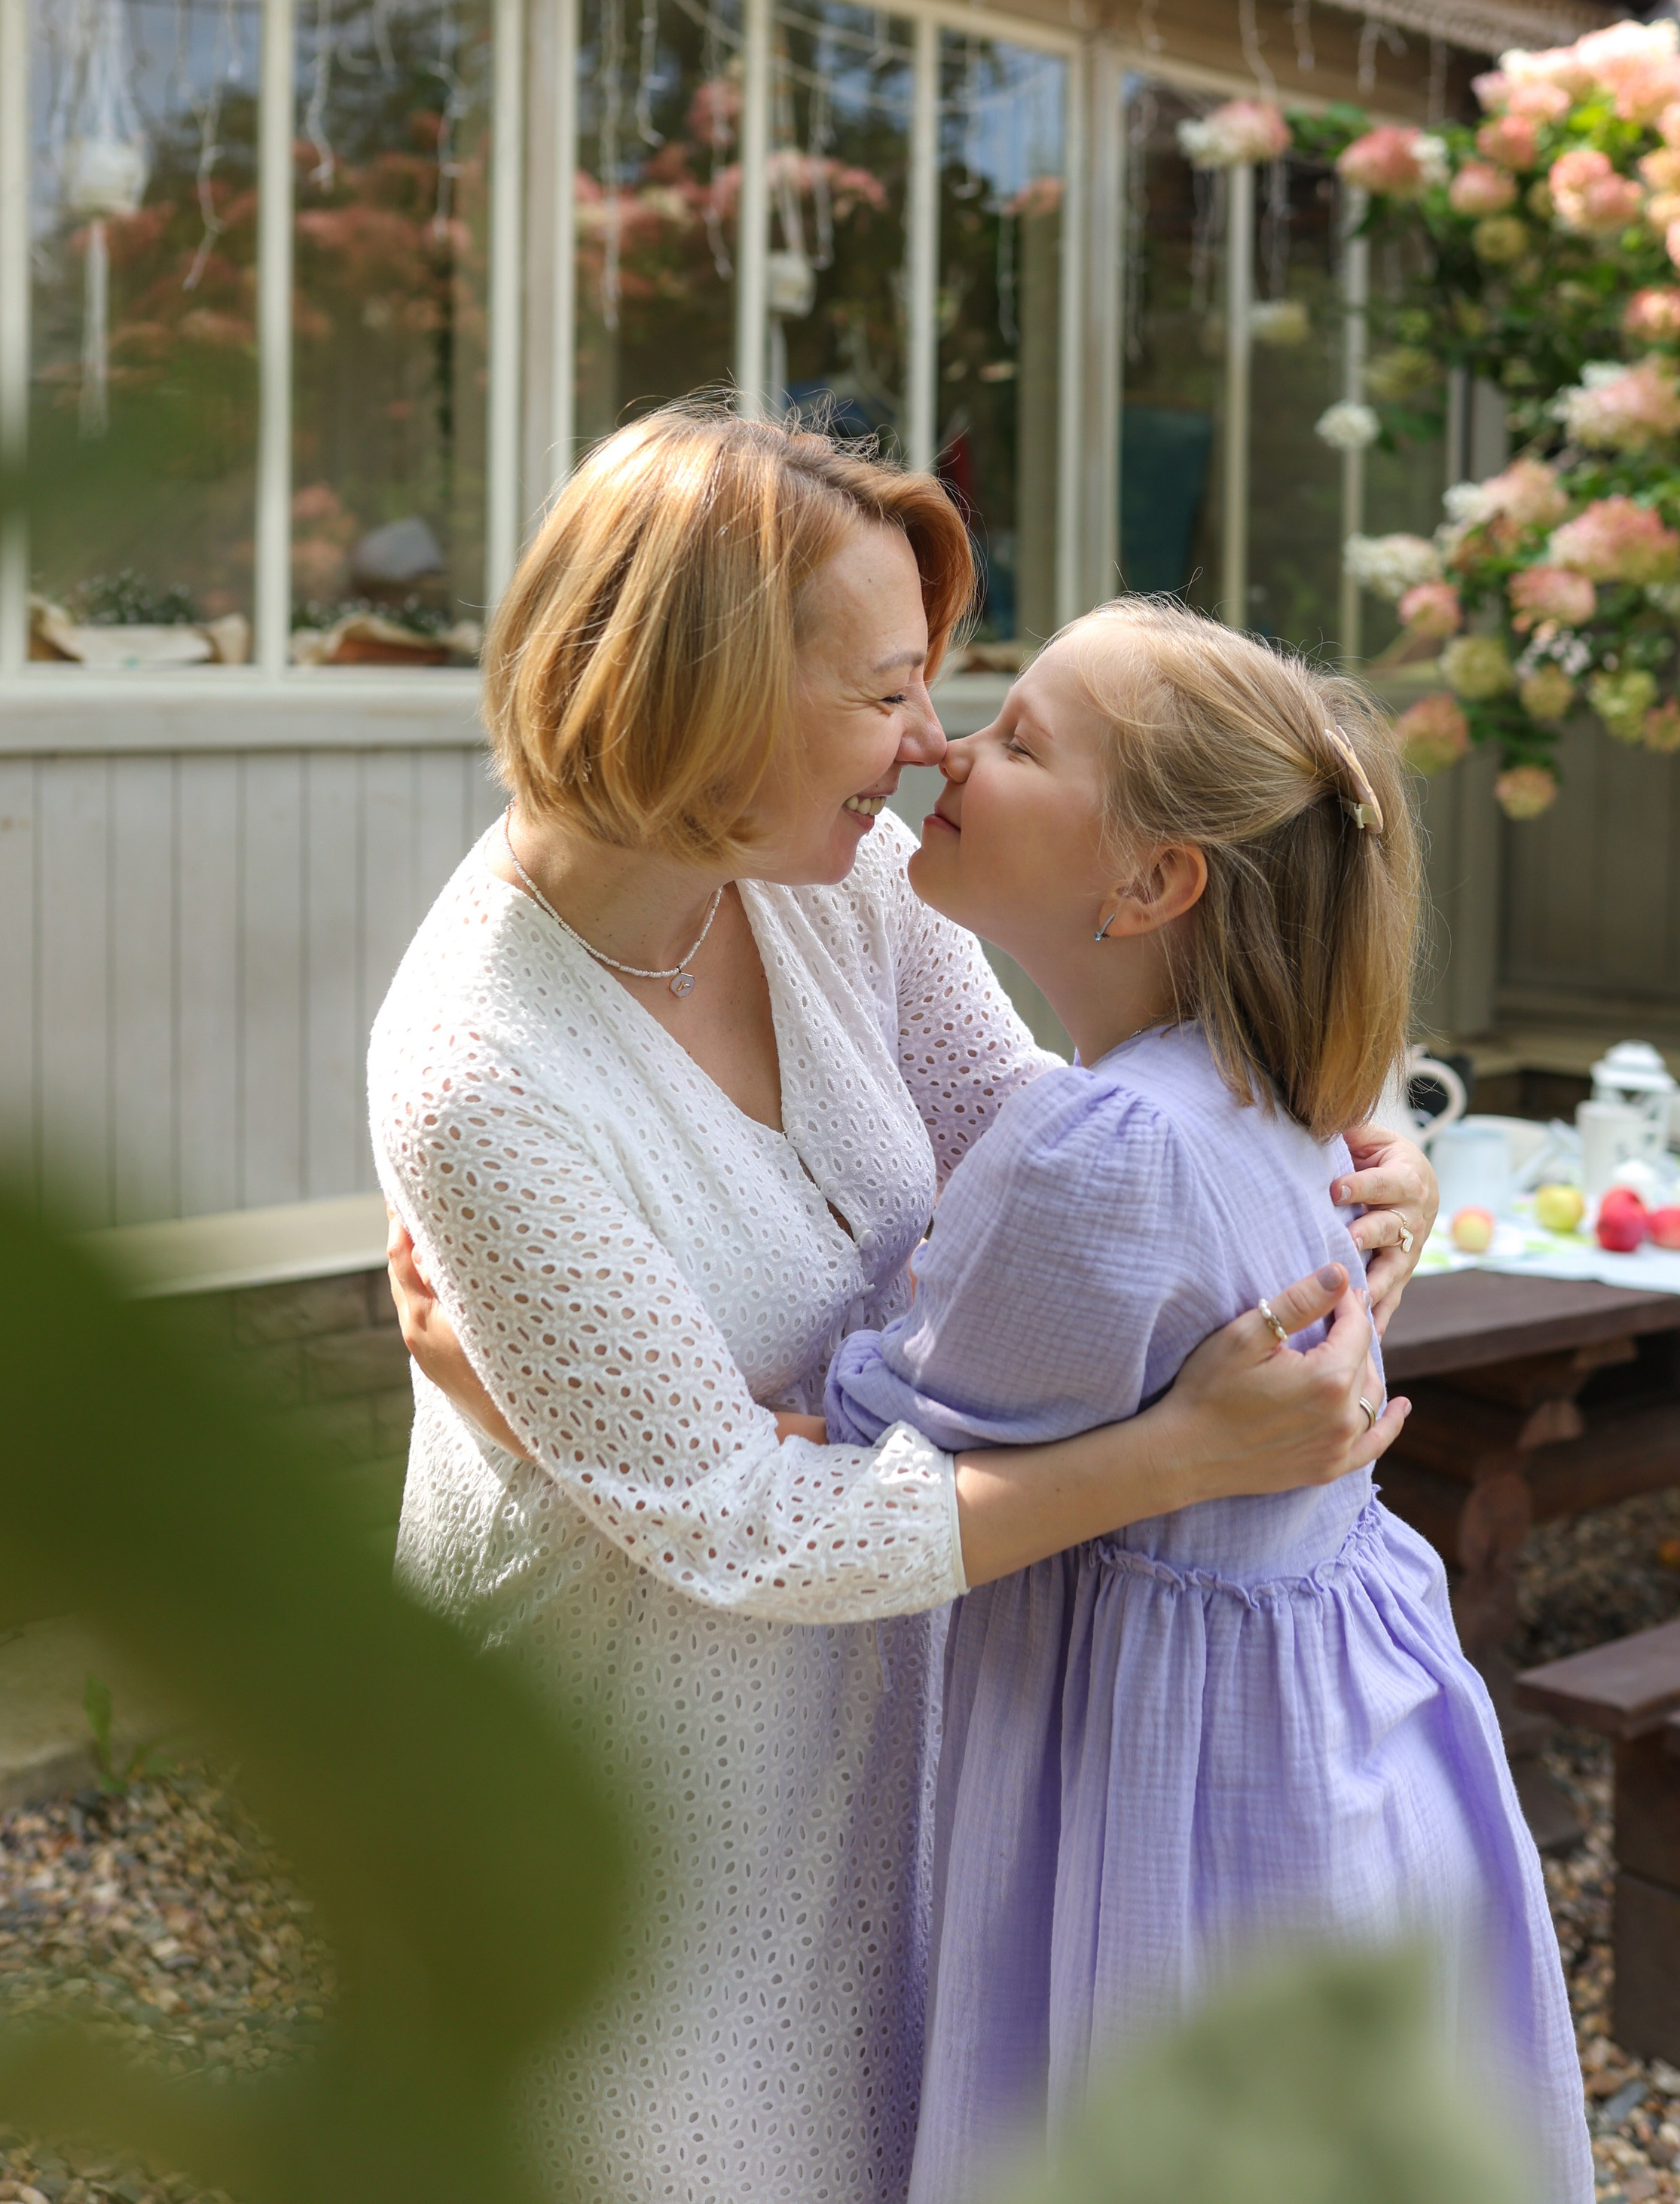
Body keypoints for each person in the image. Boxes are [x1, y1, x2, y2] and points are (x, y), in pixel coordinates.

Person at [371, 406, 1438, 2204]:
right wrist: (1177, 1456)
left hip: (902, 1670)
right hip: (621, 1745)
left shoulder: (837, 882)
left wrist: (1362, 1153)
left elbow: (1062, 1159)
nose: (928, 741)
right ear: (701, 696)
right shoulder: (481, 1070)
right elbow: (738, 1523)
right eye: (883, 691)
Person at [821, 599, 1590, 2204]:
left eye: (1018, 740)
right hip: (1335, 1734)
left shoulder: (1100, 1155)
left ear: (1151, 881)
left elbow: (876, 1456)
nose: (950, 747)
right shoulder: (1290, 1097)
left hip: (1160, 1767)